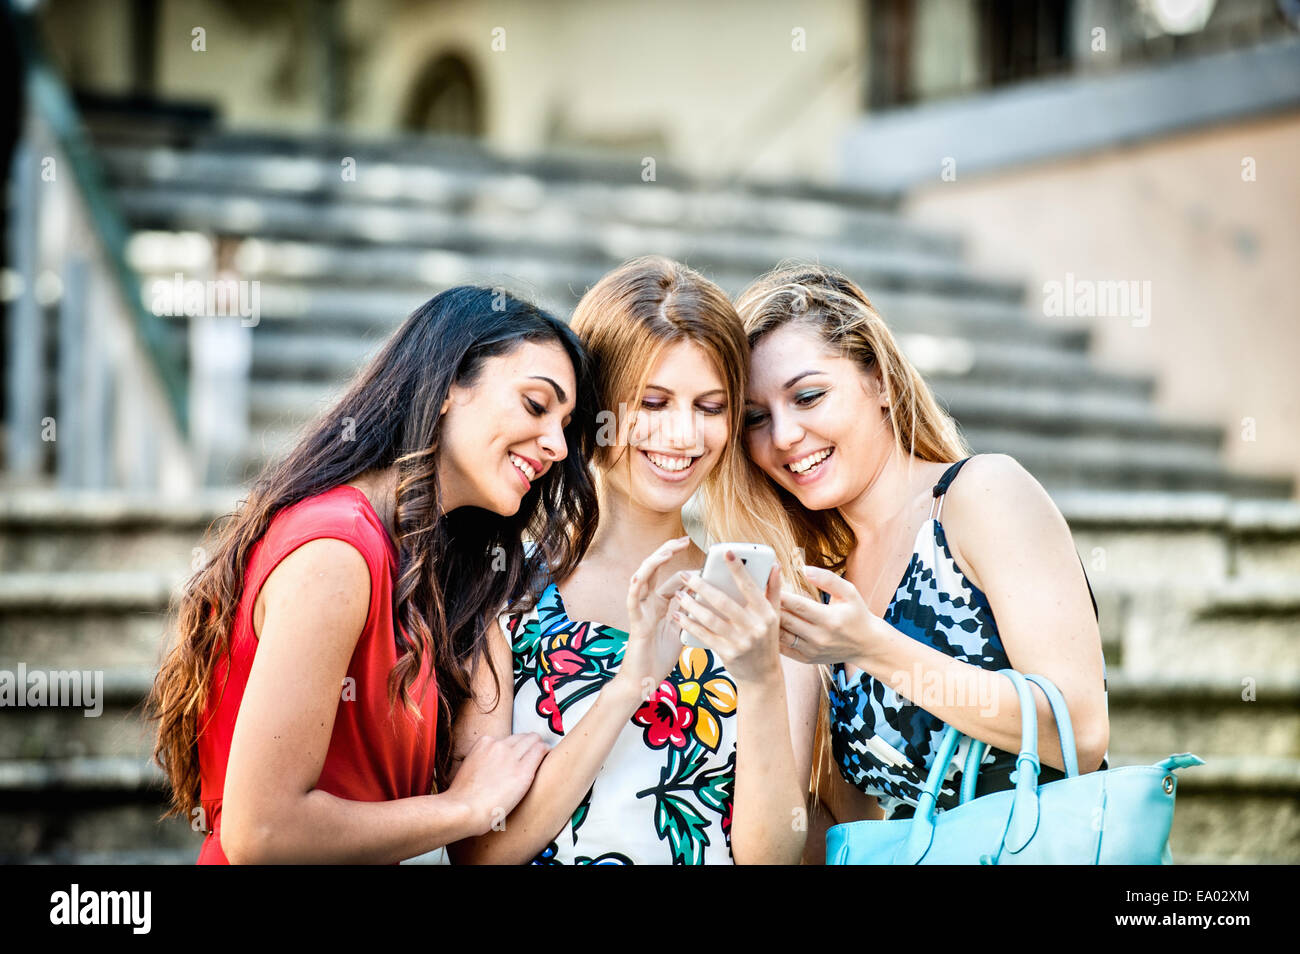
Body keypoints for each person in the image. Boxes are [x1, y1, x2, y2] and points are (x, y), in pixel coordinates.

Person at [149, 286, 601, 864]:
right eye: (537, 406)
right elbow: (262, 831)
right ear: (446, 388)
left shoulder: (422, 560)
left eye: (566, 425)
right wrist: (463, 808)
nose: (558, 446)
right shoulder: (338, 548)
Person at [449, 256, 821, 865]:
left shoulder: (765, 605)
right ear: (595, 409)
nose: (682, 436)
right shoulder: (506, 594)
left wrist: (758, 679)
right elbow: (477, 854)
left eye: (709, 407)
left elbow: (772, 858)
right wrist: (630, 685)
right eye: (652, 402)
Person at [734, 264, 1109, 852]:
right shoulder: (824, 584)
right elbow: (851, 822)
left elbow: (1079, 731)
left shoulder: (979, 496)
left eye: (808, 396)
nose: (783, 436)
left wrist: (868, 647)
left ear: (880, 381)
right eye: (756, 418)